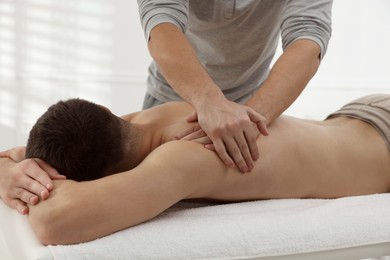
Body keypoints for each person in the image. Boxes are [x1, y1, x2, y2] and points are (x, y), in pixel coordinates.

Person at [1, 94, 390, 245]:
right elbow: (13, 155)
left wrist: (23, 182)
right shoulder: (147, 119)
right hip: (361, 115)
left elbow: (55, 222)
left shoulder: (186, 155)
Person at [137, 0, 333, 172]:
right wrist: (209, 101)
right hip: (172, 100)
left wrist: (251, 121)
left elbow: (308, 35)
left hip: (254, 109)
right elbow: (161, 19)